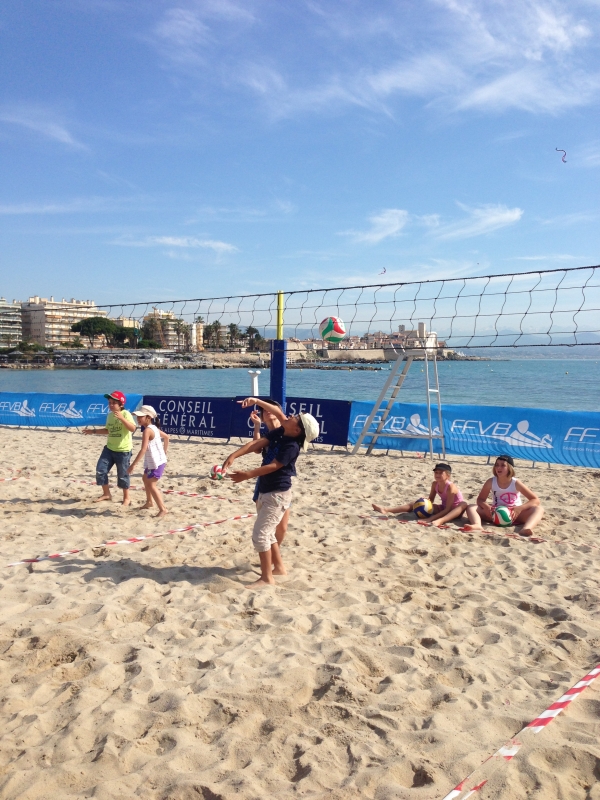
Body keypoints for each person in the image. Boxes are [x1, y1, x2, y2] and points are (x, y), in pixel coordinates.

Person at [222, 397, 320, 588]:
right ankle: (278, 569)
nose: (291, 415)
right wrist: (233, 455)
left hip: (277, 493)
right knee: (269, 534)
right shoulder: (281, 432)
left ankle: (267, 578)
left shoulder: (292, 446)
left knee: (261, 535)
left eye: (296, 417)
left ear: (298, 429)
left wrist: (247, 474)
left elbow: (274, 465)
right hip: (267, 490)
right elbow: (256, 445)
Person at [463, 454, 544, 536]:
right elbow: (480, 499)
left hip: (514, 513)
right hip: (495, 513)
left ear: (509, 468)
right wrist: (486, 506)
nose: (499, 467)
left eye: (503, 465)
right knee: (471, 507)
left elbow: (535, 500)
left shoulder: (516, 483)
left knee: (538, 509)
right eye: (497, 465)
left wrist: (520, 508)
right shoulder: (491, 481)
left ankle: (526, 528)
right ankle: (477, 525)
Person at [248, 399, 291, 548]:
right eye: (263, 410)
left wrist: (255, 400)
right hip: (264, 481)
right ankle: (272, 557)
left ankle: (274, 555)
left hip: (282, 484)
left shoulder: (287, 431)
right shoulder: (268, 434)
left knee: (282, 527)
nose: (267, 411)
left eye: (270, 408)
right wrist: (257, 426)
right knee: (266, 526)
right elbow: (256, 449)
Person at [372, 462, 467, 527]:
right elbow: (431, 499)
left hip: (455, 511)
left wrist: (430, 519)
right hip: (443, 508)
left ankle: (440, 520)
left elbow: (448, 509)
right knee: (417, 503)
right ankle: (386, 510)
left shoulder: (451, 487)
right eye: (436, 472)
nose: (437, 474)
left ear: (448, 475)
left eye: (440, 473)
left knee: (463, 504)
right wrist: (426, 500)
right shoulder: (435, 484)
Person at [84, 390, 136, 506]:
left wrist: (122, 418)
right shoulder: (110, 416)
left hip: (123, 450)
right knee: (100, 470)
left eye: (113, 403)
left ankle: (127, 498)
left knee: (123, 475)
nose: (111, 405)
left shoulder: (126, 414)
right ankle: (106, 494)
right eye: (109, 402)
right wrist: (93, 431)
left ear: (121, 404)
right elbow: (108, 430)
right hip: (109, 448)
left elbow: (132, 429)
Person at [128, 405, 170, 518]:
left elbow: (143, 449)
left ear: (148, 417)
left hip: (157, 463)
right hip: (155, 461)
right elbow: (167, 437)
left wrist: (133, 464)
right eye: (137, 416)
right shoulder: (154, 427)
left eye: (140, 417)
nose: (138, 419)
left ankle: (163, 509)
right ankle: (149, 502)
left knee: (151, 484)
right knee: (145, 478)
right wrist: (164, 452)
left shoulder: (147, 431)